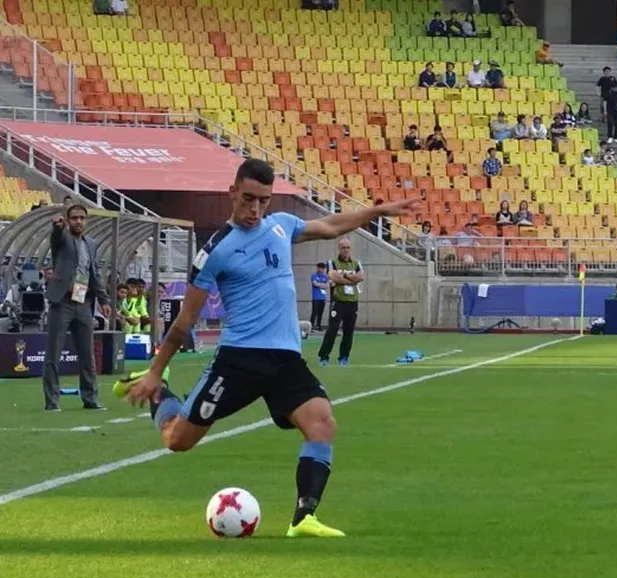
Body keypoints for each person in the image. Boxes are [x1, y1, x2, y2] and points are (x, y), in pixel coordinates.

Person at [118, 159, 419, 538]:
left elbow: (329, 227)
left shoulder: (281, 225)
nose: (255, 209)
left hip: (285, 359)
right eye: (248, 199)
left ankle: (303, 517)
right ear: (232, 193)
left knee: (322, 423)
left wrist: (375, 211)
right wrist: (157, 371)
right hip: (238, 360)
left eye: (263, 200)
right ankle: (159, 394)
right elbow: (184, 322)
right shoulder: (215, 252)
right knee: (178, 440)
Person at [44, 204, 113, 412]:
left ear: (86, 220)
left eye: (82, 218)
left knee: (87, 354)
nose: (79, 221)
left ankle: (90, 399)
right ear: (68, 219)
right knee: (53, 354)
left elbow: (94, 274)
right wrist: (57, 226)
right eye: (74, 218)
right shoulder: (63, 239)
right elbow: (56, 237)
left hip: (83, 302)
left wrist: (104, 300)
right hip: (61, 301)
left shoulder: (90, 243)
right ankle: (52, 402)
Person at [318, 238, 364, 367]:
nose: (346, 250)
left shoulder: (356, 263)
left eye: (348, 247)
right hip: (338, 301)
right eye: (343, 247)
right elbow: (333, 276)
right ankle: (324, 356)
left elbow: (361, 277)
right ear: (339, 248)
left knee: (349, 332)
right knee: (332, 330)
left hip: (352, 301)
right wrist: (351, 279)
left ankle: (344, 357)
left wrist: (344, 277)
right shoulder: (332, 262)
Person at [310, 262, 329, 332]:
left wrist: (319, 284)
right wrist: (322, 285)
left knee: (320, 313)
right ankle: (311, 326)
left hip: (323, 297)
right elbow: (315, 284)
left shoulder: (325, 276)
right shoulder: (314, 275)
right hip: (316, 297)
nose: (320, 269)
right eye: (319, 268)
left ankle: (318, 326)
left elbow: (327, 286)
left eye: (322, 268)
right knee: (314, 312)